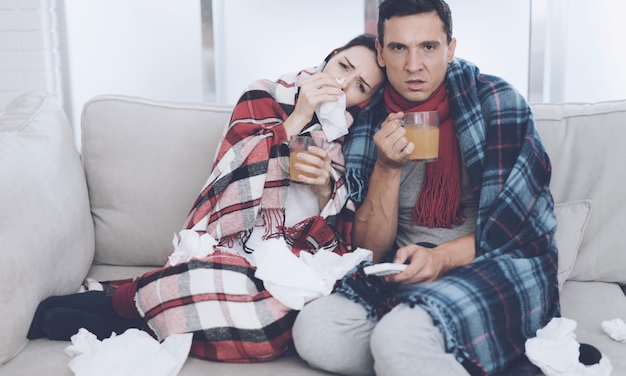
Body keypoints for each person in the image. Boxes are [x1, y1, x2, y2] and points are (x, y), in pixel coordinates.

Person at [27, 34, 385, 363]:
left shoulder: (352, 142)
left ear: (366, 100)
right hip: (233, 242)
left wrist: (325, 189)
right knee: (213, 275)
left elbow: (342, 231)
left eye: (359, 86)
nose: (342, 85)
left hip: (289, 256)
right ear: (331, 57)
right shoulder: (262, 94)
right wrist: (299, 117)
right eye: (344, 67)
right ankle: (145, 307)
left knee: (273, 327)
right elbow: (229, 173)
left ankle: (129, 314)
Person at [292, 0, 559, 376]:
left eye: (429, 47)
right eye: (399, 49)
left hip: (492, 264)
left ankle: (411, 343)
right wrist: (387, 167)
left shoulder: (497, 103)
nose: (414, 65)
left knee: (399, 338)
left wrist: (440, 258)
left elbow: (522, 231)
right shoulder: (366, 123)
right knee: (317, 333)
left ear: (450, 49)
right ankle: (429, 349)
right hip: (401, 270)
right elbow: (367, 248)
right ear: (381, 55)